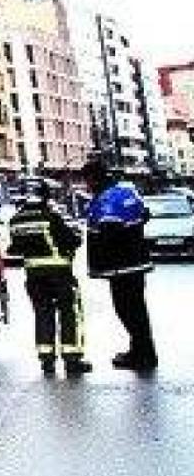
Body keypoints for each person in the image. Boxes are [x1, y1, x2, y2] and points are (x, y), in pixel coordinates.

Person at [7, 178, 92, 375]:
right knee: (70, 314)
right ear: (45, 196)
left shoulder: (15, 220)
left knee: (43, 314)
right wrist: (76, 236)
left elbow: (15, 248)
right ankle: (72, 360)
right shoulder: (51, 217)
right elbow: (71, 241)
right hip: (60, 273)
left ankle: (47, 360)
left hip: (34, 276)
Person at [83, 155, 157, 371]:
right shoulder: (126, 191)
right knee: (137, 310)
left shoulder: (106, 200)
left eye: (87, 181)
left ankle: (143, 355)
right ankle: (142, 351)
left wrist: (101, 259)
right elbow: (144, 214)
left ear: (94, 179)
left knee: (127, 310)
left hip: (120, 268)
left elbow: (109, 233)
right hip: (136, 263)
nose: (86, 186)